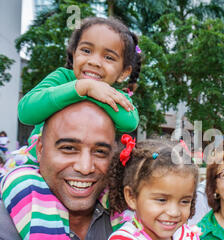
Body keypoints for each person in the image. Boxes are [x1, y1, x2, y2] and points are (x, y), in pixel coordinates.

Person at [0, 100, 127, 240]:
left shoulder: (131, 221)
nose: (85, 167)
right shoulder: (6, 231)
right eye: (68, 148)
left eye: (100, 152)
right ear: (40, 150)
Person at [17, 16, 140, 164]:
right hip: (38, 169)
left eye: (108, 57)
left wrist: (92, 91)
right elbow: (26, 112)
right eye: (86, 50)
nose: (94, 62)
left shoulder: (113, 95)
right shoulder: (62, 78)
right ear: (74, 53)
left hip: (85, 174)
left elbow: (130, 121)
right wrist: (82, 88)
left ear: (124, 73)